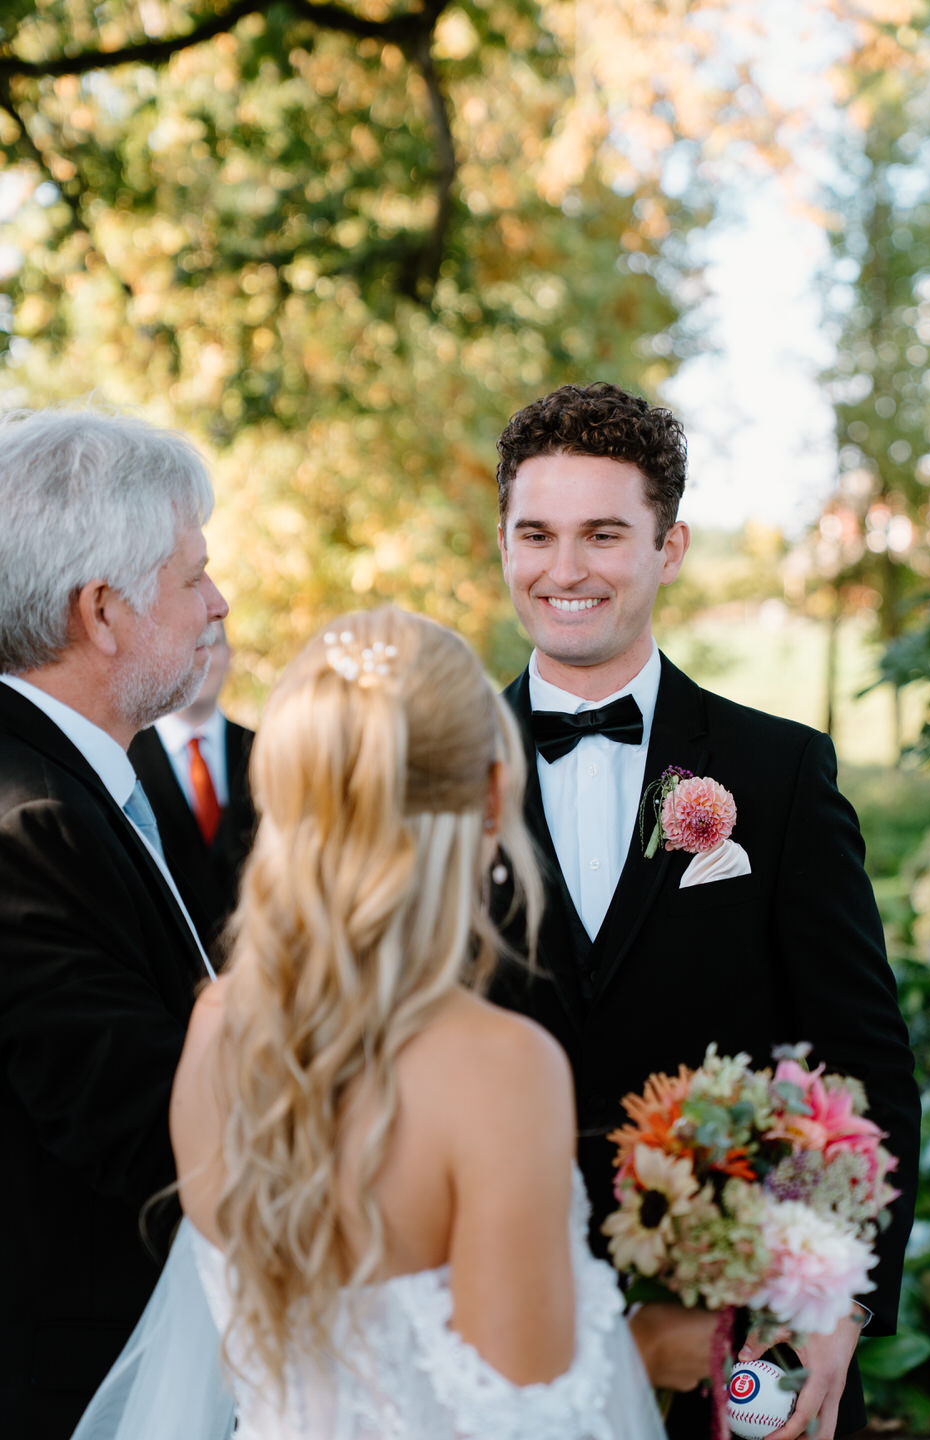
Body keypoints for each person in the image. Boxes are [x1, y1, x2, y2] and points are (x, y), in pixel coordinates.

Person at [72, 606, 718, 1440]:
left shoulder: (218, 1030)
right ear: (491, 795)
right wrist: (654, 1343)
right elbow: (534, 1419)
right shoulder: (500, 1068)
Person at [488, 381, 922, 1440]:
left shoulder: (775, 773)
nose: (565, 570)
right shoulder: (439, 777)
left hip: (746, 1328)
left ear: (668, 548)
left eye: (604, 534)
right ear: (501, 541)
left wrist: (839, 1300)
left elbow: (859, 1055)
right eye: (536, 534)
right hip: (504, 1327)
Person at [0, 407, 229, 1439]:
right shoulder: (27, 824)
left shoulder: (103, 781)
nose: (218, 605)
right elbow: (148, 1126)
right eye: (193, 577)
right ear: (103, 611)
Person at [129, 622, 255, 957]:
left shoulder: (265, 751)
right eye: (189, 645)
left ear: (228, 656)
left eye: (210, 645)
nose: (200, 659)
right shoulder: (123, 759)